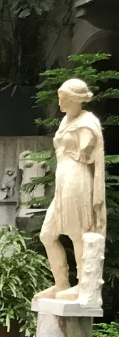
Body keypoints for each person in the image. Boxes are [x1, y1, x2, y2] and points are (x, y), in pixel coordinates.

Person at [35, 77, 107, 303]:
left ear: (75, 99)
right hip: (63, 183)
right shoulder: (65, 121)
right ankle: (61, 284)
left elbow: (87, 152)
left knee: (78, 234)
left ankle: (82, 287)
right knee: (47, 234)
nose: (59, 104)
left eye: (63, 99)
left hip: (77, 181)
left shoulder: (88, 123)